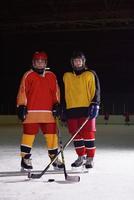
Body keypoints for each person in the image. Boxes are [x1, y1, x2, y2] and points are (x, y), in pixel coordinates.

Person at [16, 51, 64, 171]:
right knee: (28, 136)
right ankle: (25, 159)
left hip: (48, 113)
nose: (40, 64)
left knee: (52, 136)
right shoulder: (28, 75)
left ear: (46, 63)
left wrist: (57, 104)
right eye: (37, 62)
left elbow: (56, 92)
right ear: (33, 63)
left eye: (42, 62)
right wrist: (21, 106)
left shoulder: (51, 75)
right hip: (31, 113)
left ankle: (54, 159)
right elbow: (23, 91)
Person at [62, 51, 100, 169]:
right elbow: (64, 93)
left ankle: (90, 158)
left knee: (88, 135)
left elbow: (96, 90)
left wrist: (95, 104)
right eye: (75, 61)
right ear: (72, 63)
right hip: (71, 110)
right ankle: (80, 157)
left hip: (86, 109)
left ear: (83, 62)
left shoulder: (90, 74)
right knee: (76, 136)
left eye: (79, 60)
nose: (77, 62)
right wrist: (62, 108)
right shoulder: (66, 76)